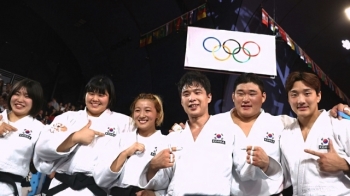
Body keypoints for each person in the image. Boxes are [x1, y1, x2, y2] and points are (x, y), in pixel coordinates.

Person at [140, 71, 251, 195]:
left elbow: (245, 170)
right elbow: (161, 182)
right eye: (186, 94)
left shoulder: (229, 130)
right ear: (181, 101)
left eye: (197, 92)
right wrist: (153, 167)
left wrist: (265, 164)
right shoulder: (173, 137)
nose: (192, 98)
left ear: (209, 97)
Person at [34, 75, 134, 196]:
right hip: (61, 186)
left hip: (97, 190)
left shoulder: (124, 123)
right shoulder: (67, 117)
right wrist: (74, 138)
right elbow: (42, 149)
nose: (95, 99)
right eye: (91, 93)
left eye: (101, 95)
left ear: (110, 98)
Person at [214, 73, 290, 196]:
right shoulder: (215, 122)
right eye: (240, 93)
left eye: (252, 93)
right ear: (233, 96)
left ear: (263, 96)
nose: (245, 99)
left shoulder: (280, 123)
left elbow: (309, 121)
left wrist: (330, 114)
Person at [280, 71, 350, 195]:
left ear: (318, 96)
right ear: (288, 99)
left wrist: (344, 165)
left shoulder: (339, 123)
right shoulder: (286, 134)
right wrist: (265, 165)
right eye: (294, 94)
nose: (301, 100)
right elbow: (284, 178)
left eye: (307, 93)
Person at [94, 93, 167, 196]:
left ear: (158, 114)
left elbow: (169, 184)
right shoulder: (120, 139)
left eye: (147, 110)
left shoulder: (165, 142)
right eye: (137, 110)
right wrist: (125, 154)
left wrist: (155, 194)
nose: (141, 115)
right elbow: (101, 179)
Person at [0, 78, 45, 196]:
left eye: (27, 96)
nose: (20, 99)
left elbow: (45, 161)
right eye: (17, 94)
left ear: (35, 101)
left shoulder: (39, 129)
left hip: (9, 189)